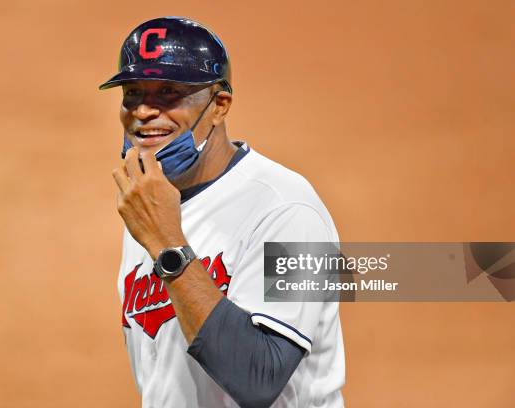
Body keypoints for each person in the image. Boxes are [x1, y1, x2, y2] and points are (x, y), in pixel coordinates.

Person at [100, 16, 345, 408]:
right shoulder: (150, 206)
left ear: (219, 106)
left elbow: (258, 377)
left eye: (168, 93)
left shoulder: (288, 208)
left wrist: (168, 244)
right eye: (132, 93)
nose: (144, 111)